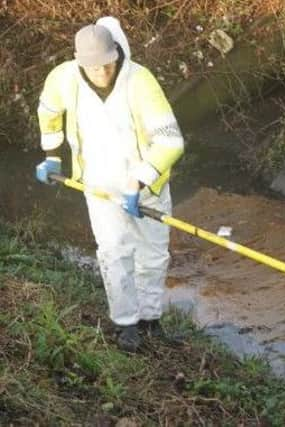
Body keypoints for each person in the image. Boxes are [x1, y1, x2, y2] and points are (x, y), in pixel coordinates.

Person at [35, 17, 184, 352]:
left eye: (108, 64)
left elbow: (171, 142)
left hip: (147, 183)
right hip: (99, 182)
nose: (102, 72)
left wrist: (139, 179)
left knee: (153, 253)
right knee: (114, 252)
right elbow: (47, 111)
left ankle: (150, 320)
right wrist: (52, 155)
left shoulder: (140, 81)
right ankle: (127, 323)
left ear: (116, 54)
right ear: (80, 62)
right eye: (94, 67)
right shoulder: (63, 79)